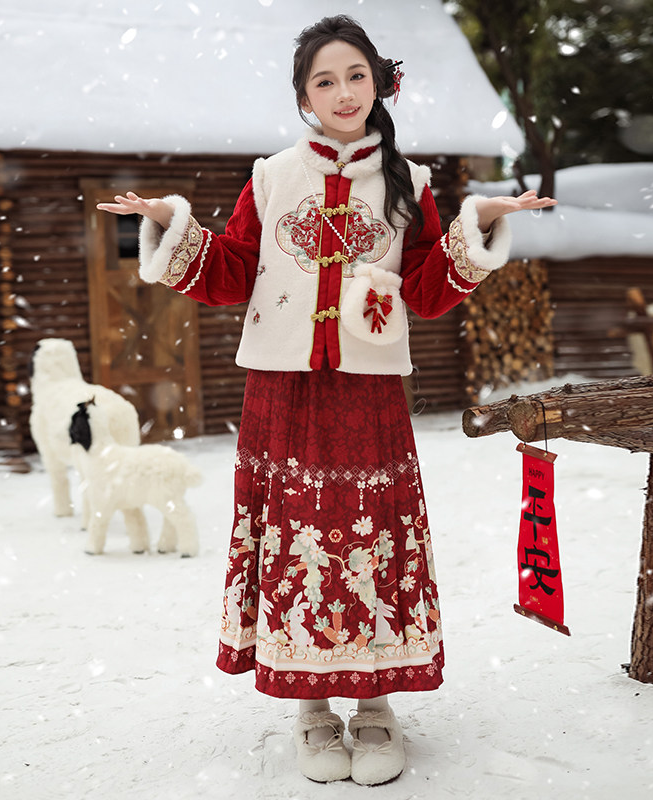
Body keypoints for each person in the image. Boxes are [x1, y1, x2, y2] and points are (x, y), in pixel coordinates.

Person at [97, 14, 556, 786]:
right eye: (324, 80)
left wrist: (475, 226)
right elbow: (235, 270)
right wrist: (169, 226)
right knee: (294, 537)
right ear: (304, 97)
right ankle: (310, 712)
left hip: (367, 393)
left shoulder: (407, 184)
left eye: (355, 76)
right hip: (281, 391)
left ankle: (375, 703)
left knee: (367, 533)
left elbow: (426, 291)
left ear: (378, 84)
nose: (343, 92)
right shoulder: (272, 176)